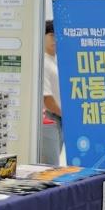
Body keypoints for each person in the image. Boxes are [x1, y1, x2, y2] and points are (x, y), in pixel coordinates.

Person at [40, 21, 63, 165]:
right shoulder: (42, 61)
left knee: (54, 162)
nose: (55, 40)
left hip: (59, 118)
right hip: (48, 117)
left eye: (58, 36)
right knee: (50, 165)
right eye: (52, 35)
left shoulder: (57, 60)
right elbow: (47, 98)